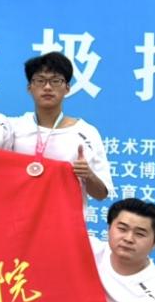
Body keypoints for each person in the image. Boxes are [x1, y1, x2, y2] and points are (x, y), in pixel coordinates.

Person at [11, 52, 112, 200]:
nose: (47, 87)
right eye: (40, 80)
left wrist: (88, 174)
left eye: (56, 81)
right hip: (20, 214)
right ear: (29, 87)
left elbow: (101, 194)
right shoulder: (13, 128)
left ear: (67, 88)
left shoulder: (86, 132)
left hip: (66, 215)